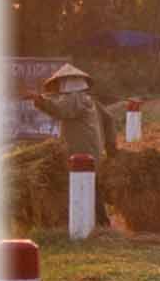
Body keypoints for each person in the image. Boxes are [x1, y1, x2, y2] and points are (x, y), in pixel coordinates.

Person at [28, 64, 116, 226]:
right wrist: (111, 148)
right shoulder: (89, 99)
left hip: (79, 151)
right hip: (91, 150)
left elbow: (61, 110)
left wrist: (39, 100)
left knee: (84, 186)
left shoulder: (75, 98)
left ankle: (93, 223)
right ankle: (100, 222)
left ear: (66, 83)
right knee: (92, 185)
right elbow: (109, 119)